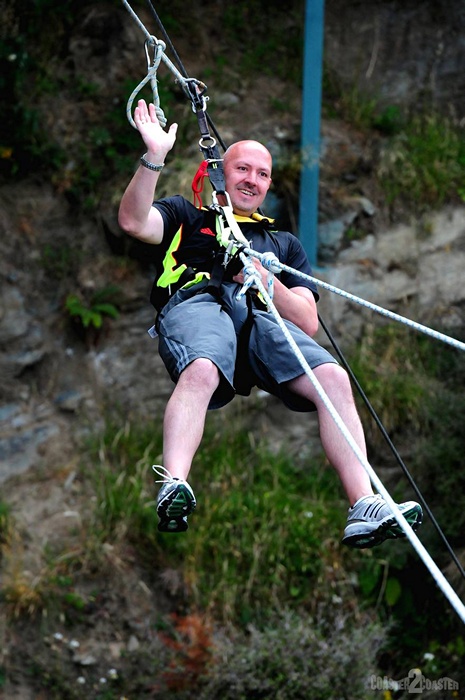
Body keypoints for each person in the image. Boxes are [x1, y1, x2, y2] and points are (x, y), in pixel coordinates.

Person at [118, 98, 423, 548]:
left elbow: (308, 319)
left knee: (334, 379)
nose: (252, 180)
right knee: (201, 368)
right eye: (243, 169)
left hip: (261, 318)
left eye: (262, 175)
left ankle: (363, 504)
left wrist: (269, 282)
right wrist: (154, 156)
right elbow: (133, 221)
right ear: (221, 173)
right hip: (199, 304)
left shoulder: (281, 244)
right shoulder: (188, 216)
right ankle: (174, 484)